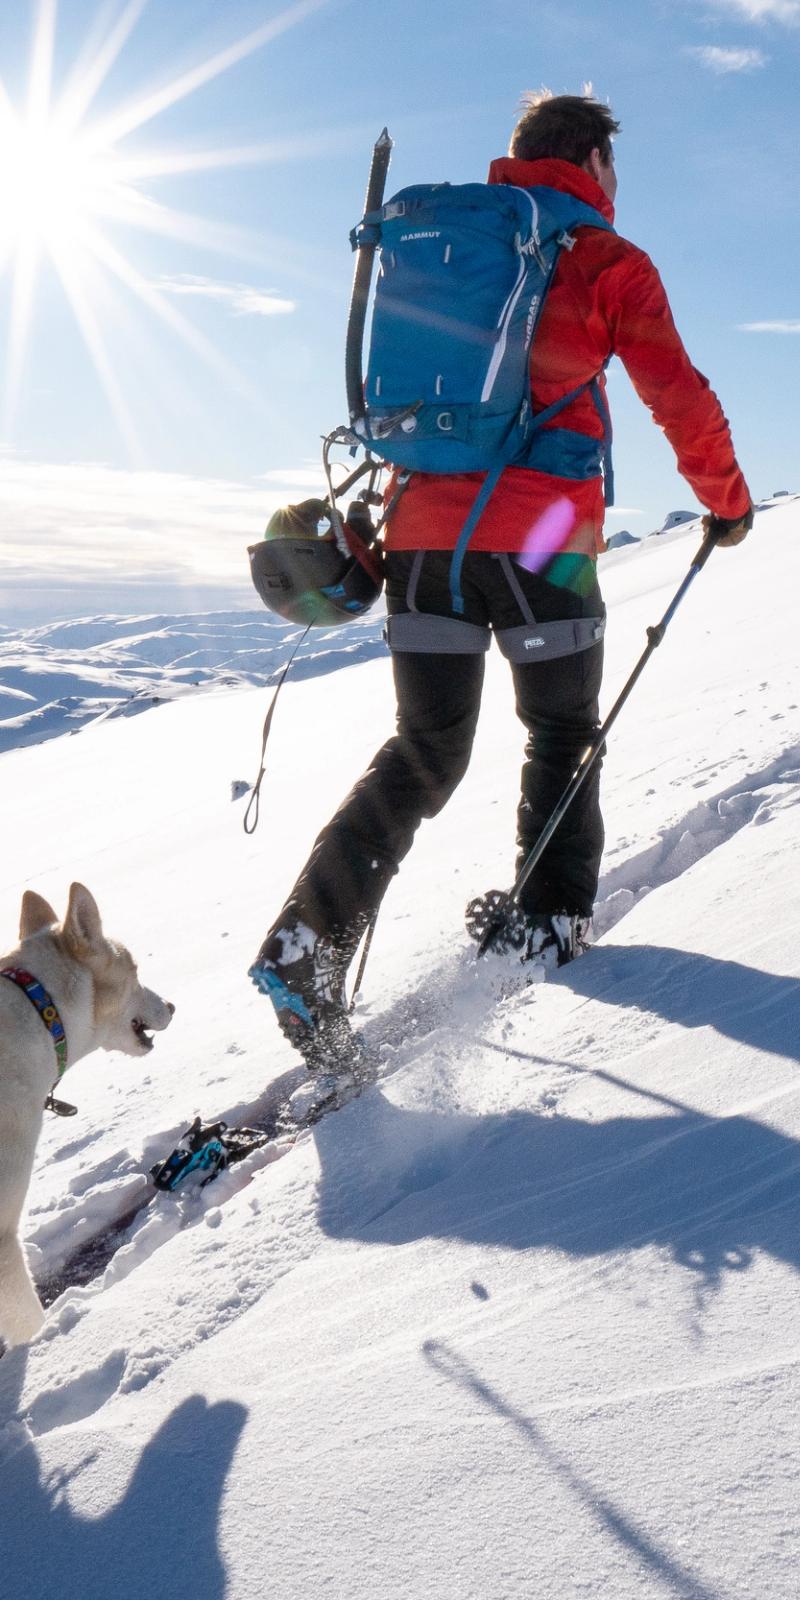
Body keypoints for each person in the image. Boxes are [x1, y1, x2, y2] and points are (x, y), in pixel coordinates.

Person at [252, 91, 754, 1065]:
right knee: (561, 729)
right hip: (541, 542)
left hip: (423, 544)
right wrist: (726, 501)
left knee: (423, 750)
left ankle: (305, 943)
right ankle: (546, 925)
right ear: (596, 158)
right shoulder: (605, 258)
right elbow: (677, 393)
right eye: (616, 165)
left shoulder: (449, 243)